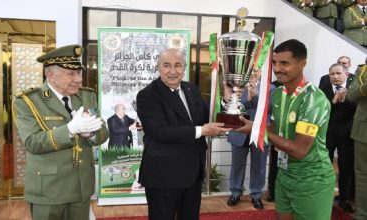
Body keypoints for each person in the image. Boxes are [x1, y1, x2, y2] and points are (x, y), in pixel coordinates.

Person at [236, 39, 335, 220]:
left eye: (284, 63)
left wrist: (259, 131)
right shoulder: (277, 94)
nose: (277, 68)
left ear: (302, 63)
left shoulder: (314, 99)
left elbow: (299, 150)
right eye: (274, 62)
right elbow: (276, 128)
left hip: (312, 179)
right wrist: (255, 127)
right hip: (284, 175)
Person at [14, 44, 109, 220]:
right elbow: (32, 143)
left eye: (79, 73)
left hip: (81, 186)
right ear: (49, 74)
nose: (78, 79)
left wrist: (91, 134)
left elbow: (103, 132)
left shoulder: (87, 96)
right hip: (49, 190)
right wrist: (71, 129)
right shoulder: (28, 101)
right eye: (70, 74)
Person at [136, 48, 230, 220]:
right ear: (158, 67)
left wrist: (226, 101)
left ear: (185, 67)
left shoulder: (191, 89)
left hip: (192, 174)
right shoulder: (147, 95)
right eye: (167, 65)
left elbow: (204, 116)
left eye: (178, 65)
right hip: (164, 176)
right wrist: (202, 130)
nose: (173, 71)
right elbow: (159, 131)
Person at [224, 69, 274, 209]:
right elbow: (232, 108)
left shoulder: (270, 88)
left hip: (260, 133)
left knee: (259, 166)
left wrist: (256, 96)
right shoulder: (236, 86)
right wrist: (248, 99)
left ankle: (256, 195)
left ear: (261, 73)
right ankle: (235, 193)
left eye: (256, 71)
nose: (252, 73)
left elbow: (270, 109)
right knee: (237, 165)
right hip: (239, 132)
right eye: (250, 71)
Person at [319, 63, 356, 213]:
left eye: (338, 73)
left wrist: (345, 98)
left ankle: (344, 199)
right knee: (324, 165)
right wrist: (332, 101)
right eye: (332, 74)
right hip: (328, 133)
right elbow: (320, 109)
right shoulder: (324, 90)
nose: (335, 76)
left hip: (347, 134)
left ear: (346, 75)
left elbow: (358, 109)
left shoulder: (354, 90)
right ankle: (322, 197)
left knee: (345, 167)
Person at [347, 63, 367, 219]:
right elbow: (351, 95)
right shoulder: (363, 70)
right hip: (363, 130)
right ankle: (362, 214)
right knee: (362, 176)